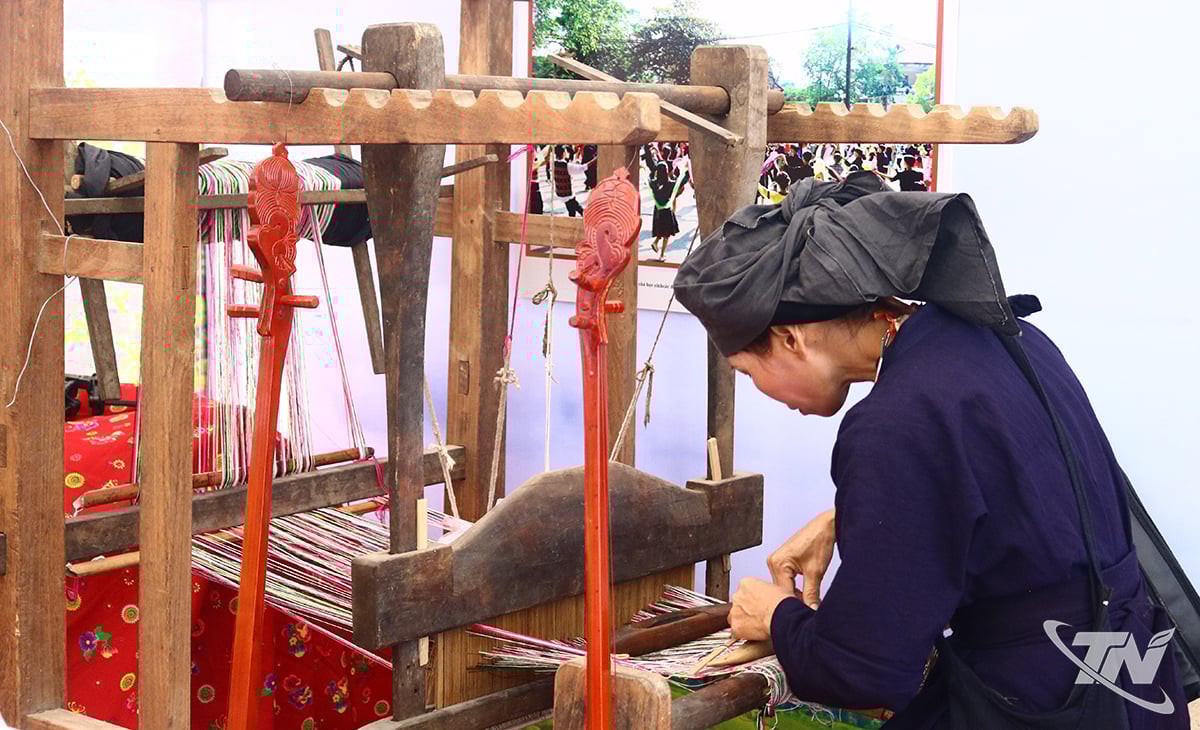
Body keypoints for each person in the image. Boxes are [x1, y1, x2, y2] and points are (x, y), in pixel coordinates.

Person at [672, 171, 1188, 729]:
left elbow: (862, 670)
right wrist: (845, 517)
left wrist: (777, 616)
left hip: (1045, 701)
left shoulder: (894, 422)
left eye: (748, 372)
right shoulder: (1005, 335)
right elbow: (1017, 499)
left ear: (790, 339)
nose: (761, 392)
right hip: (1130, 676)